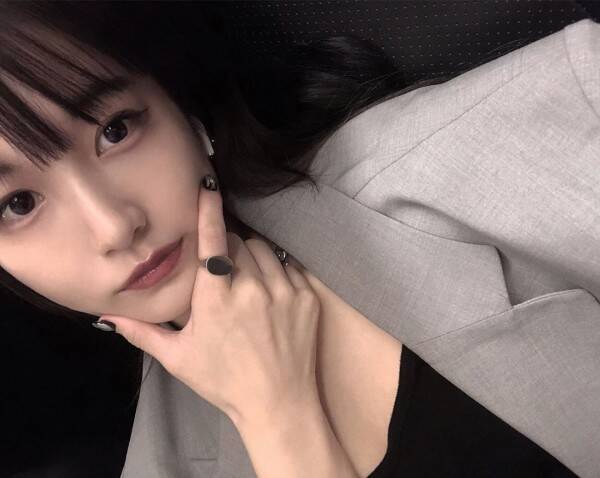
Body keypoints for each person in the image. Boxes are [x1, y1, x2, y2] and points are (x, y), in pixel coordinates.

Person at [0, 2, 595, 477]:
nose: (113, 225)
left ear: (179, 106)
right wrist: (276, 417)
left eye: (114, 130)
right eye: (18, 204)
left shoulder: (501, 144)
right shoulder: (164, 464)